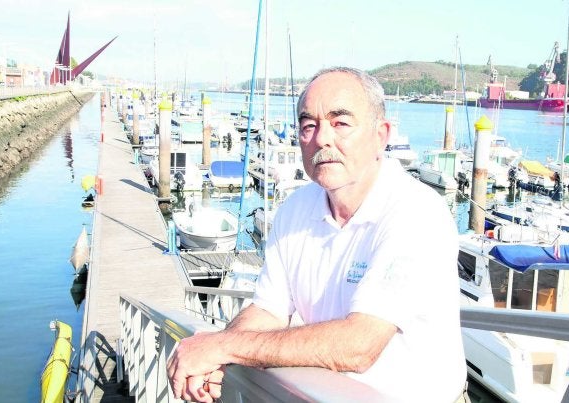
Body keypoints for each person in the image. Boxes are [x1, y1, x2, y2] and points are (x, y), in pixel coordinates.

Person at [166, 67, 467, 402]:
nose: (322, 138)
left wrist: (222, 345)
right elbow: (268, 309)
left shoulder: (416, 213)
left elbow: (359, 346)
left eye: (340, 123)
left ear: (380, 136)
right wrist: (216, 358)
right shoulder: (296, 209)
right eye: (309, 125)